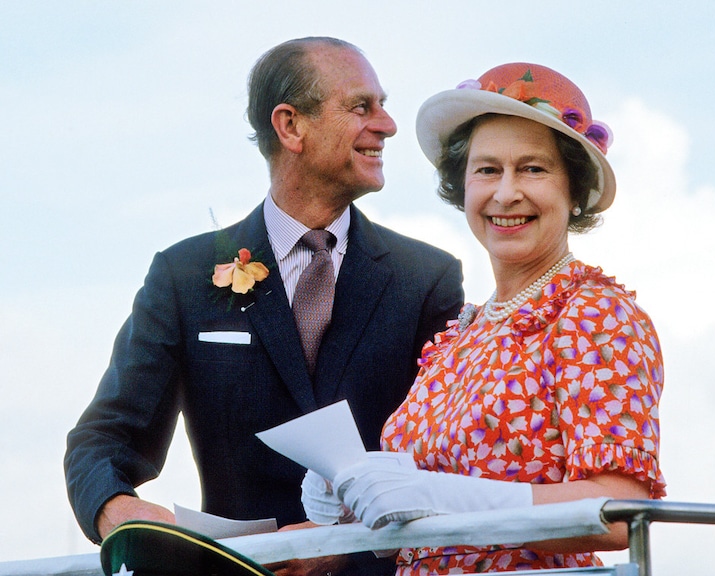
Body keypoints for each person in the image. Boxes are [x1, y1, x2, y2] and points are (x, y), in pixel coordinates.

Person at [64, 36, 464, 576]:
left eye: (382, 105)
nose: (387, 125)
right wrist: (121, 513)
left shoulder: (427, 278)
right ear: (290, 126)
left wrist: (345, 541)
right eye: (361, 106)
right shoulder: (183, 276)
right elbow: (103, 438)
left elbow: (444, 459)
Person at [303, 62, 666, 573]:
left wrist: (434, 494)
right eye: (488, 170)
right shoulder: (462, 333)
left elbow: (619, 513)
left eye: (533, 169)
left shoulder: (596, 314)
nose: (506, 192)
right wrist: (353, 499)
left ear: (574, 191)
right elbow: (427, 516)